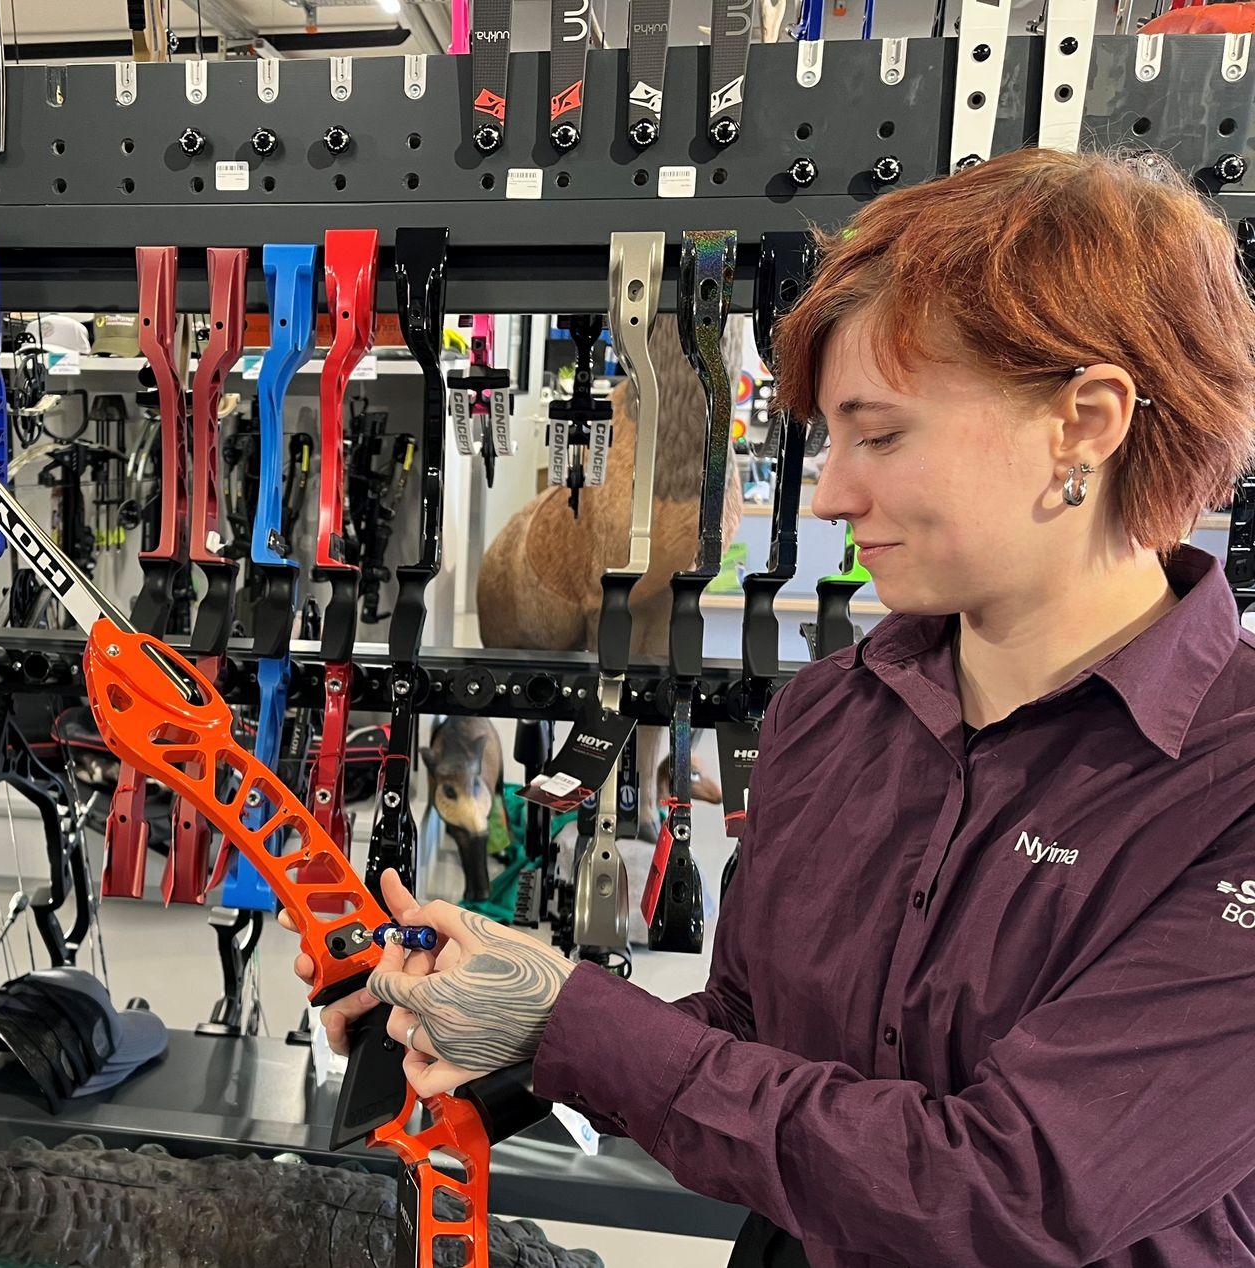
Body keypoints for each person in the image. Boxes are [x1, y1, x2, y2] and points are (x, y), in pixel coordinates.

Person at [288, 147, 1255, 1267]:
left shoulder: (1231, 792)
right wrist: (486, 1021)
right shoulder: (831, 714)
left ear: (1085, 422)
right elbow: (747, 1037)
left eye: (880, 434)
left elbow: (1002, 1189)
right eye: (832, 440)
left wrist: (574, 1019)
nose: (833, 492)